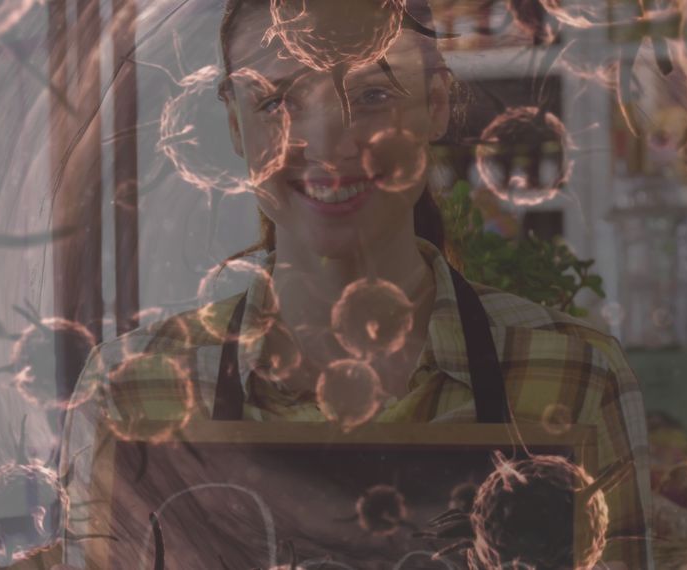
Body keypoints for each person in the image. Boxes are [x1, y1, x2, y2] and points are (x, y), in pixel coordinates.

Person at [54, 0, 651, 568]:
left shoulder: (576, 375)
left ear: (436, 103)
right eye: (277, 101)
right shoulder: (129, 394)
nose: (328, 142)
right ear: (236, 123)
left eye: (372, 94)